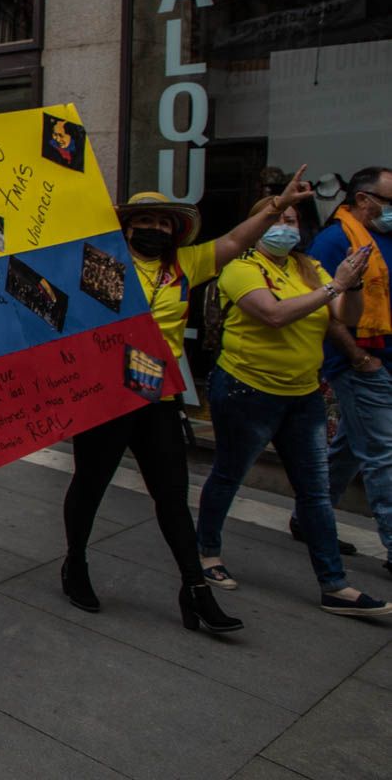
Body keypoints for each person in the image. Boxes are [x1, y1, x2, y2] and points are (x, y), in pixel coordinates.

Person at [61, 181, 323, 631]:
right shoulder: (101, 263)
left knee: (172, 496)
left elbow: (237, 241)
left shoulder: (185, 264)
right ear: (125, 228)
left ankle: (195, 590)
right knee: (91, 484)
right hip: (106, 399)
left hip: (159, 399)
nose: (155, 228)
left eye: (164, 223)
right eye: (145, 222)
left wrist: (276, 207)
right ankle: (75, 564)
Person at [194, 197, 387, 616]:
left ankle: (334, 585)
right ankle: (207, 553)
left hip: (303, 395)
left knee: (315, 493)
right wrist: (334, 286)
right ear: (257, 223)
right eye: (277, 218)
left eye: (292, 220)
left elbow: (346, 317)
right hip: (247, 391)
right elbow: (274, 315)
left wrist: (350, 285)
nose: (286, 226)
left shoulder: (307, 268)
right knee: (228, 475)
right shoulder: (240, 267)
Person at [309, 166, 392, 577]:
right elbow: (322, 305)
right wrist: (359, 356)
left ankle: (310, 517)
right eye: (389, 201)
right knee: (383, 453)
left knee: (348, 448)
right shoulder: (333, 240)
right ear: (365, 199)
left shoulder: (383, 237)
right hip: (360, 363)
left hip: (384, 360)